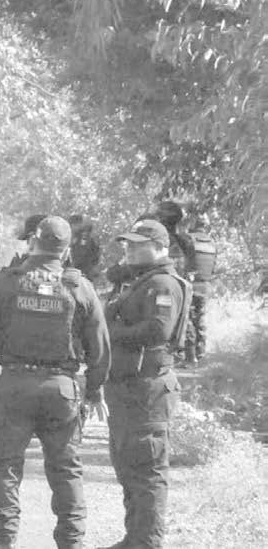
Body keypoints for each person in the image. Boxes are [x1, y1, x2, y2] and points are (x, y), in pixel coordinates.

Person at [0, 216, 110, 549]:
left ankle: (4, 541)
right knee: (66, 469)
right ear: (67, 250)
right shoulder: (79, 287)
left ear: (32, 242)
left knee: (5, 466)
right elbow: (100, 347)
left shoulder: (6, 283)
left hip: (15, 386)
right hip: (61, 389)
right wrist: (95, 389)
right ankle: (72, 543)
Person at [102, 219, 192, 549]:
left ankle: (147, 542)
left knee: (147, 469)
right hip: (129, 388)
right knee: (128, 464)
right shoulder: (141, 281)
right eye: (128, 244)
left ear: (160, 248)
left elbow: (158, 329)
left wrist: (111, 333)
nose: (129, 249)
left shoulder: (162, 284)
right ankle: (135, 537)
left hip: (147, 389)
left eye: (138, 245)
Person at [181, 212, 216, 367]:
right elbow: (213, 267)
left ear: (193, 223)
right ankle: (201, 354)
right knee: (200, 319)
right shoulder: (212, 243)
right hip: (205, 285)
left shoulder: (188, 239)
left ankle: (190, 357)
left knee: (188, 319)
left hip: (191, 285)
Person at [68, 214, 102, 281]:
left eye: (73, 225)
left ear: (78, 224)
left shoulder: (84, 237)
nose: (71, 228)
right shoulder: (77, 236)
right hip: (79, 271)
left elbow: (80, 255)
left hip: (84, 271)